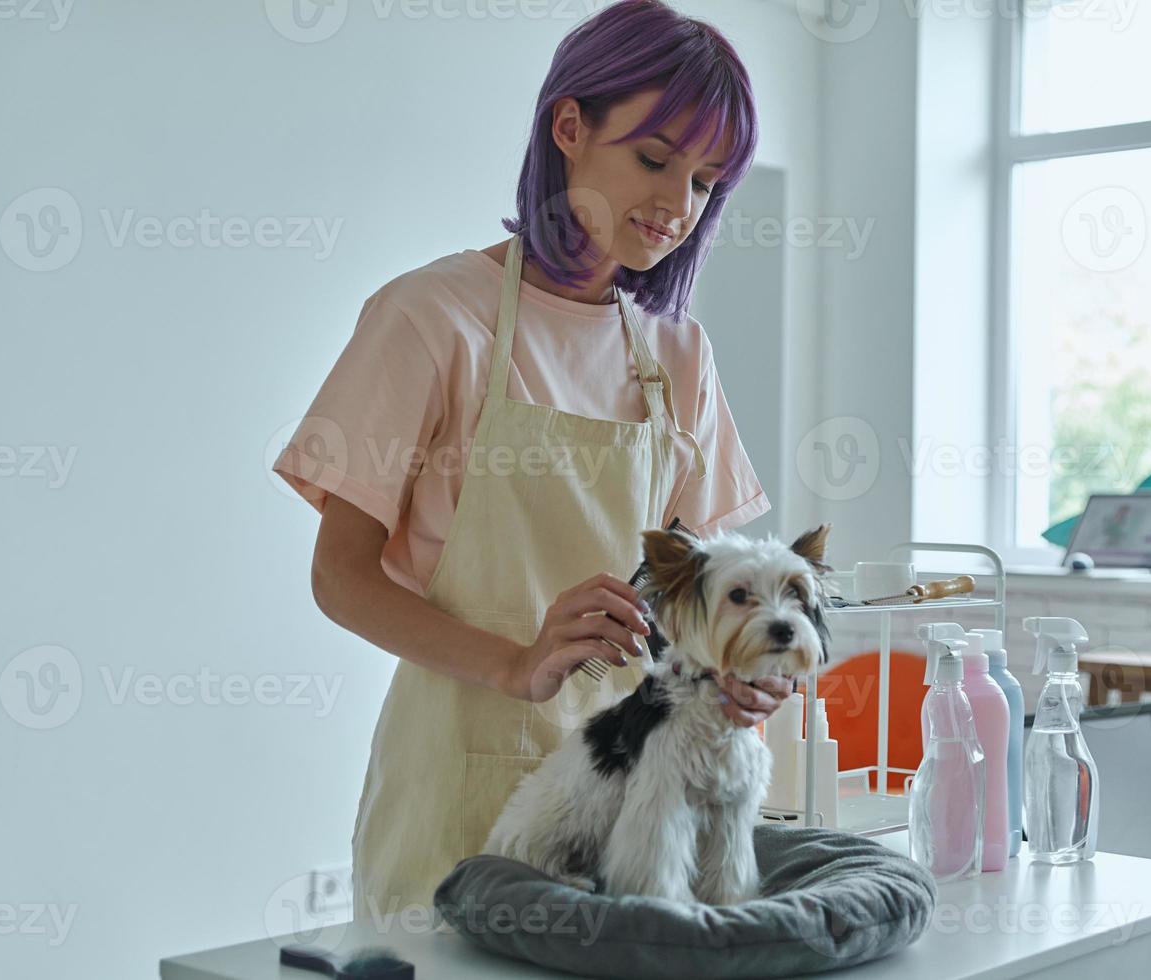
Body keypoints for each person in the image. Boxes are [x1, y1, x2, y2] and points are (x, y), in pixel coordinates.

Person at [272, 0, 786, 918]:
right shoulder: (432, 318)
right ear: (569, 127)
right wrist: (516, 663)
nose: (678, 205)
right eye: (654, 159)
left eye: (706, 180)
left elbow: (703, 591)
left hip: (639, 793)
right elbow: (339, 577)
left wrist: (739, 669)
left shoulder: (677, 356)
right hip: (454, 788)